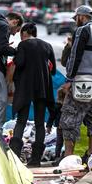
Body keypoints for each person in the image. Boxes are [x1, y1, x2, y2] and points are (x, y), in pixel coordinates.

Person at [59, 5, 92, 157]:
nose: (75, 22)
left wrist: (69, 78)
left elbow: (75, 56)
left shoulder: (82, 30)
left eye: (76, 18)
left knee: (70, 117)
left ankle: (68, 157)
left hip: (82, 80)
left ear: (82, 16)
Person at [9, 23, 56, 167]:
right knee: (40, 122)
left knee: (21, 121)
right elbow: (52, 68)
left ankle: (15, 157)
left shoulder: (23, 46)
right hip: (42, 88)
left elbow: (19, 63)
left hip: (25, 87)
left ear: (24, 33)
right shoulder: (47, 46)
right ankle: (36, 159)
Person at [46, 87, 67, 161]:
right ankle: (64, 154)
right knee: (66, 140)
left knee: (59, 142)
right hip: (66, 126)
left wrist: (49, 126)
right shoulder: (66, 106)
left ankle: (57, 155)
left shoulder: (57, 105)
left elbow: (52, 116)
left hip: (60, 126)